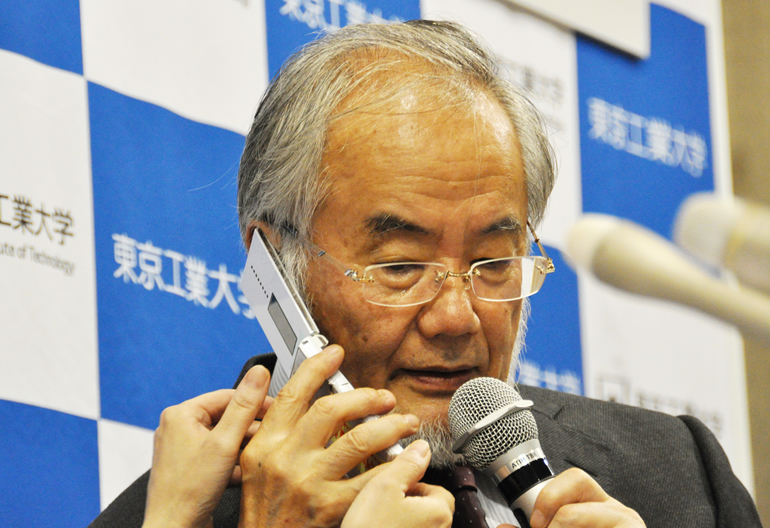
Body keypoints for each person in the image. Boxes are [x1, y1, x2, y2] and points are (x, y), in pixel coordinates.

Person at [90, 20, 761, 528]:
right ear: (276, 268)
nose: (456, 319)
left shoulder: (678, 475)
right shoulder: (174, 514)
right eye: (402, 267)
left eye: (494, 263)